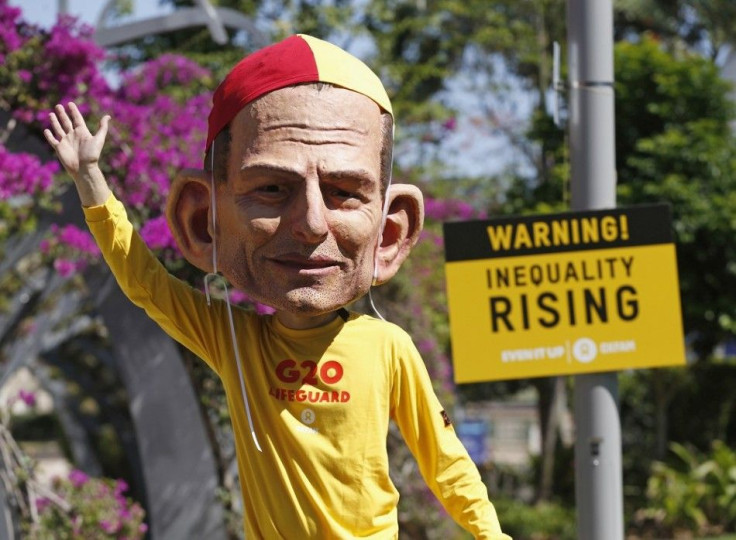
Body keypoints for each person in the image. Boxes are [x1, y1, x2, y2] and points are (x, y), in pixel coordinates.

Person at [44, 34, 510, 539]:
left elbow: (445, 461)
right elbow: (145, 282)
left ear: (390, 232)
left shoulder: (388, 347)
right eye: (272, 189)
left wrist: (492, 536)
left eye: (343, 193)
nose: (311, 224)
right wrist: (90, 179)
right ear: (204, 222)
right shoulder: (236, 343)